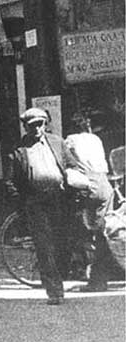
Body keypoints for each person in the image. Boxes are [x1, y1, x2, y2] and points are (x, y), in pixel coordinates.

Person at [8, 106, 79, 305]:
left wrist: (72, 181)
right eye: (32, 125)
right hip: (35, 202)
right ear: (26, 127)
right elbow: (10, 181)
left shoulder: (57, 142)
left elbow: (72, 165)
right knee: (44, 246)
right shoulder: (19, 149)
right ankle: (54, 291)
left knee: (62, 243)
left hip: (60, 199)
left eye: (40, 124)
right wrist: (22, 203)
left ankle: (60, 278)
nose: (37, 129)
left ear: (45, 124)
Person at [65, 110, 114, 293]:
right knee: (102, 233)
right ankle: (99, 277)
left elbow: (63, 162)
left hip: (87, 186)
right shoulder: (96, 139)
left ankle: (87, 273)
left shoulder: (70, 140)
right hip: (104, 186)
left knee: (79, 229)